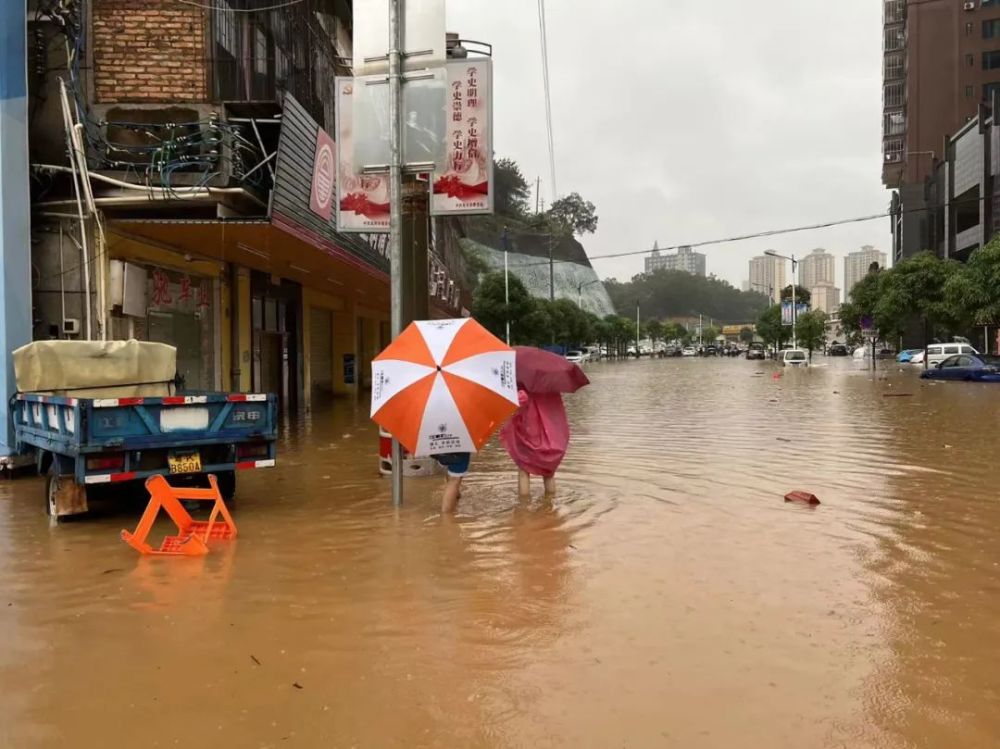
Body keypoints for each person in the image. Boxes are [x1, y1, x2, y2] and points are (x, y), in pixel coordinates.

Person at [500, 387, 570, 497]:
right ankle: (549, 506)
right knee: (549, 473)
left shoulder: (524, 382)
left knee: (524, 470)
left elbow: (520, 400)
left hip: (528, 432)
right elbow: (557, 411)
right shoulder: (552, 386)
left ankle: (523, 507)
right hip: (550, 435)